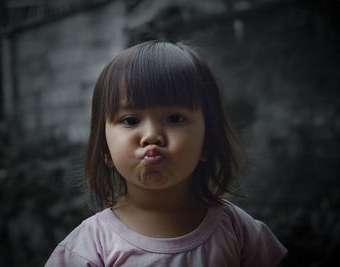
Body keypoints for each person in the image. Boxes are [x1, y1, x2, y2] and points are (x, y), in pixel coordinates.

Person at [45, 40, 287, 266]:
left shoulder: (238, 231)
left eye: (174, 118)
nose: (151, 135)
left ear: (207, 143)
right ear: (105, 150)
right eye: (130, 120)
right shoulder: (90, 248)